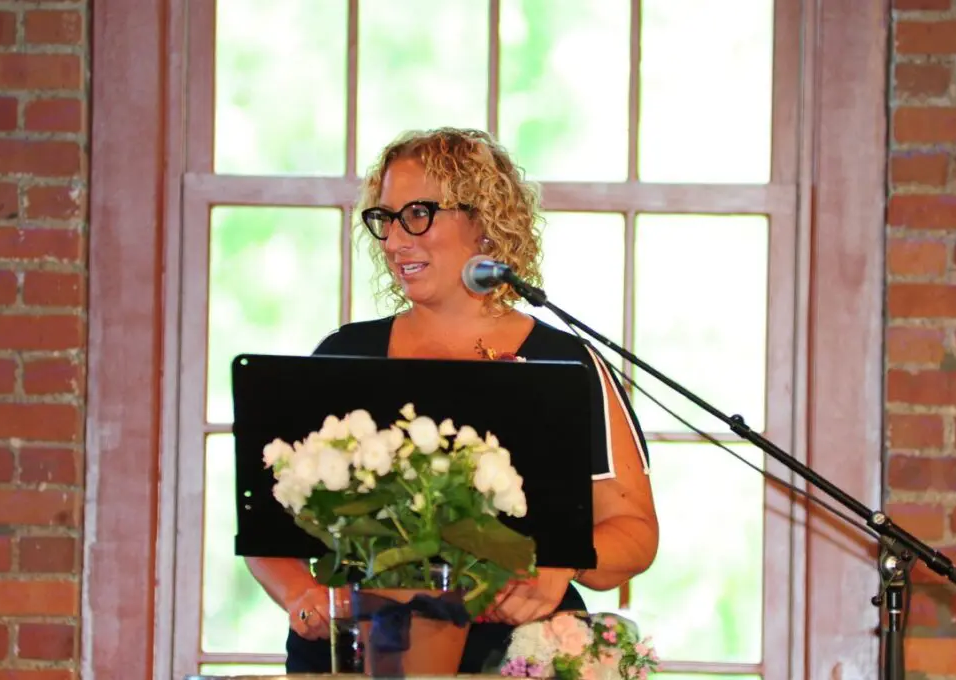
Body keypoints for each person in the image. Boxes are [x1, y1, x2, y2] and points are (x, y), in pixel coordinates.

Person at [245, 127, 659, 673]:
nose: (393, 241)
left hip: (517, 656)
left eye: (417, 214)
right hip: (362, 656)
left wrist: (559, 568)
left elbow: (633, 532)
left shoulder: (566, 363)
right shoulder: (343, 356)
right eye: (385, 219)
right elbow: (267, 525)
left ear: (484, 220)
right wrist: (303, 594)